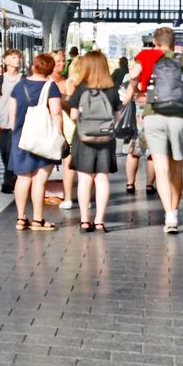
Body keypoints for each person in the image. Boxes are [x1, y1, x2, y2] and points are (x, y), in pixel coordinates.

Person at [126, 26, 183, 233]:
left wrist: (137, 92)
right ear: (173, 42)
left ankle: (169, 216)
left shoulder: (147, 57)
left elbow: (132, 76)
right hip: (178, 117)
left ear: (155, 41)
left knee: (160, 168)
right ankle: (176, 211)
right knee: (177, 167)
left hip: (154, 116)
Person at [8, 53, 64, 231]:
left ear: (33, 66)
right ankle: (38, 220)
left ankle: (21, 218)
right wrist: (60, 136)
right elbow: (56, 113)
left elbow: (12, 116)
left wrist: (16, 132)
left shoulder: (19, 86)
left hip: (21, 138)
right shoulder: (51, 86)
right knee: (39, 180)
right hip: (44, 139)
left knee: (23, 178)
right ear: (50, 69)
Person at [67, 51, 119, 232]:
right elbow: (117, 116)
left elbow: (73, 115)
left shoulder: (80, 88)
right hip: (105, 139)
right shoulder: (112, 88)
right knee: (102, 179)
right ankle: (99, 221)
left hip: (83, 139)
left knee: (84, 180)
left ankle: (84, 221)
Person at [0, 49, 24, 194]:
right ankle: (12, 175)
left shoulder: (24, 79)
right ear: (6, 61)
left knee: (11, 152)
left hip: (18, 123)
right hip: (2, 122)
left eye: (18, 58)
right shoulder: (0, 80)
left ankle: (8, 182)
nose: (17, 60)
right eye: (14, 57)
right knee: (4, 154)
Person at [50, 50, 75, 210]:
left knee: (68, 163)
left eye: (63, 61)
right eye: (57, 61)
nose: (61, 64)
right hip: (49, 127)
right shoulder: (45, 81)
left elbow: (73, 106)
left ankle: (68, 197)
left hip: (67, 127)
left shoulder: (68, 82)